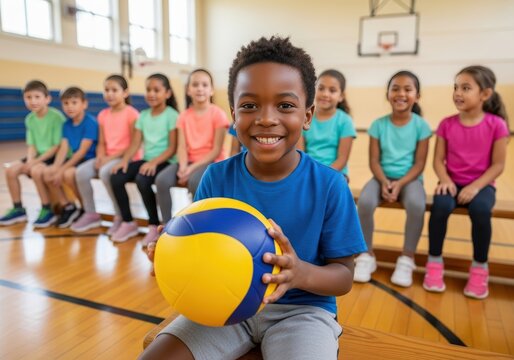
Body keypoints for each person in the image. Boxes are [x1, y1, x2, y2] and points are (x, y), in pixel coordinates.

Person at [140, 36, 366, 360]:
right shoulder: (216, 178)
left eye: (285, 105)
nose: (266, 118)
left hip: (302, 314)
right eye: (249, 105)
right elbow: (199, 251)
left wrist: (300, 272)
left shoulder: (330, 186)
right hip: (222, 308)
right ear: (233, 114)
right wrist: (171, 255)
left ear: (307, 114)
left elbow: (343, 277)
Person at [423, 65, 509, 299]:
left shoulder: (497, 125)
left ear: (485, 94)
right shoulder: (446, 124)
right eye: (456, 87)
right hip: (451, 182)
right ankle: (434, 263)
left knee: (481, 210)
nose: (458, 93)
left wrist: (475, 187)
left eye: (466, 88)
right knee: (440, 207)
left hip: (481, 185)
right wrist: (445, 179)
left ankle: (480, 267)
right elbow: (438, 160)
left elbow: (498, 165)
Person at [354, 71, 432, 287]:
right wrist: (384, 181)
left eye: (408, 89)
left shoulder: (421, 126)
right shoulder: (378, 125)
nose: (401, 93)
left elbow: (419, 164)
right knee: (365, 203)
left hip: (410, 179)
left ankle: (407, 258)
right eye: (395, 88)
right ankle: (365, 255)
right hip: (381, 177)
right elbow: (374, 161)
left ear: (417, 95)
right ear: (388, 94)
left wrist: (399, 183)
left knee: (417, 205)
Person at [110, 73, 179, 244]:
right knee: (117, 177)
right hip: (147, 159)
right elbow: (135, 143)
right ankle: (128, 222)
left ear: (167, 93)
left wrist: (154, 162)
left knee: (143, 180)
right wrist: (125, 160)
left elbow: (172, 148)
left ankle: (153, 225)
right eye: (148, 90)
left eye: (157, 90)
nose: (151, 94)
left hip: (166, 160)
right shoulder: (143, 115)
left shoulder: (172, 115)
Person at [155, 69, 229, 226]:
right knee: (161, 180)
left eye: (204, 85)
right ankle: (166, 226)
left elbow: (216, 150)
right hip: (188, 161)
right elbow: (181, 146)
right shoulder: (183, 116)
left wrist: (190, 169)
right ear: (188, 90)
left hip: (211, 162)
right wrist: (182, 167)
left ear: (211, 90)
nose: (200, 88)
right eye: (195, 85)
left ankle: (200, 225)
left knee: (196, 181)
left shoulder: (218, 114)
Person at [71, 75, 140, 233]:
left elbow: (133, 145)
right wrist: (101, 157)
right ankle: (91, 213)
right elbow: (102, 142)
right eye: (106, 90)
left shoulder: (132, 114)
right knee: (81, 172)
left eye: (114, 90)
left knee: (104, 172)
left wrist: (108, 159)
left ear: (125, 92)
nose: (109, 94)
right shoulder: (103, 114)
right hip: (107, 157)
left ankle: (120, 216)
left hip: (126, 157)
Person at [0, 80, 65, 226]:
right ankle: (18, 209)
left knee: (35, 171)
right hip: (38, 156)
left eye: (37, 97)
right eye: (28, 97)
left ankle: (47, 209)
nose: (33, 101)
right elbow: (32, 145)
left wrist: (33, 163)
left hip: (53, 156)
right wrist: (29, 160)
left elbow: (56, 146)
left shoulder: (56, 117)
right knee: (10, 171)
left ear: (47, 99)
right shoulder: (29, 119)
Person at [40, 87, 98, 228]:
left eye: (74, 102)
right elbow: (64, 149)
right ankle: (68, 206)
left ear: (84, 104)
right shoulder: (66, 124)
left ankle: (85, 209)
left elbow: (81, 152)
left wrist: (62, 169)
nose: (69, 106)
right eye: (66, 103)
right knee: (48, 173)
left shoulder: (90, 122)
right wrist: (56, 167)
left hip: (88, 159)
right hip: (74, 159)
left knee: (68, 174)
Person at [297, 69, 356, 181]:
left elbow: (342, 159)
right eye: (321, 88)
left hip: (336, 172)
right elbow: (300, 153)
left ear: (341, 96)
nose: (325, 94)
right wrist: (309, 174)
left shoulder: (345, 121)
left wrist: (323, 175)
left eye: (332, 90)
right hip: (308, 171)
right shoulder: (304, 117)